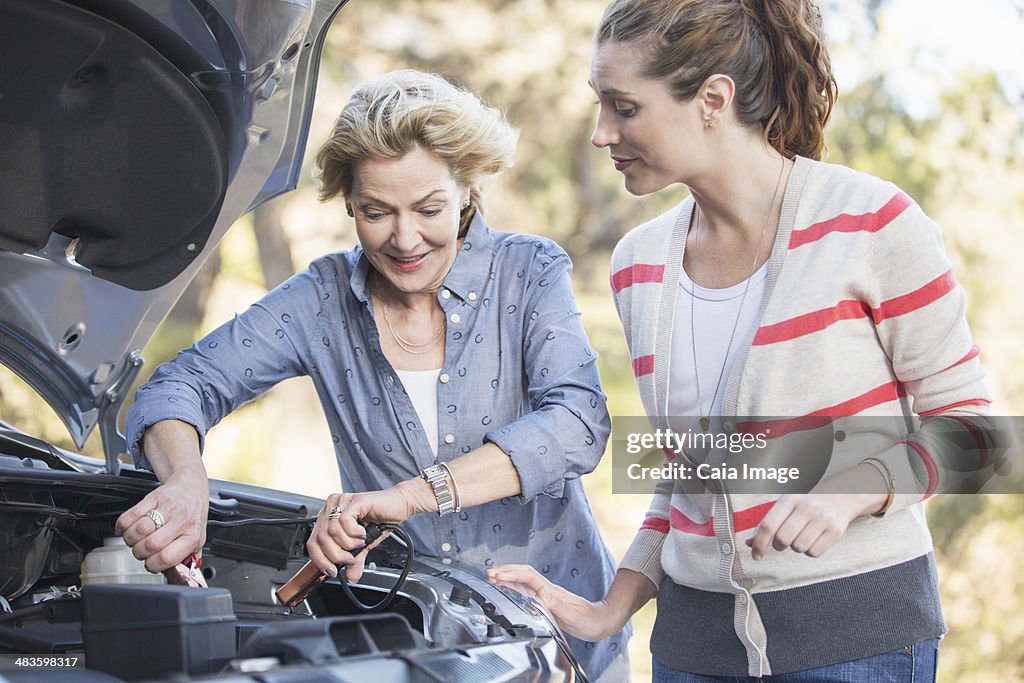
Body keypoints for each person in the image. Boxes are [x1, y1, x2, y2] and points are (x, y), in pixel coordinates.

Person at [489, 1, 997, 681]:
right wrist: (611, 606)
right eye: (598, 105)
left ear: (713, 100)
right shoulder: (638, 266)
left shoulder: (871, 225)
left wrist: (852, 489)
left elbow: (976, 435)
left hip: (855, 645)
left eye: (624, 107)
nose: (600, 132)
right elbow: (690, 472)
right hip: (690, 652)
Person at [114, 69, 629, 681]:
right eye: (376, 212)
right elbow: (180, 387)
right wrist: (185, 480)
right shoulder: (321, 299)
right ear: (349, 202)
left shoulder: (529, 271)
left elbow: (578, 423)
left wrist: (408, 497)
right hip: (414, 650)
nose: (405, 239)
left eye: (429, 208)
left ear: (467, 188)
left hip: (558, 642)